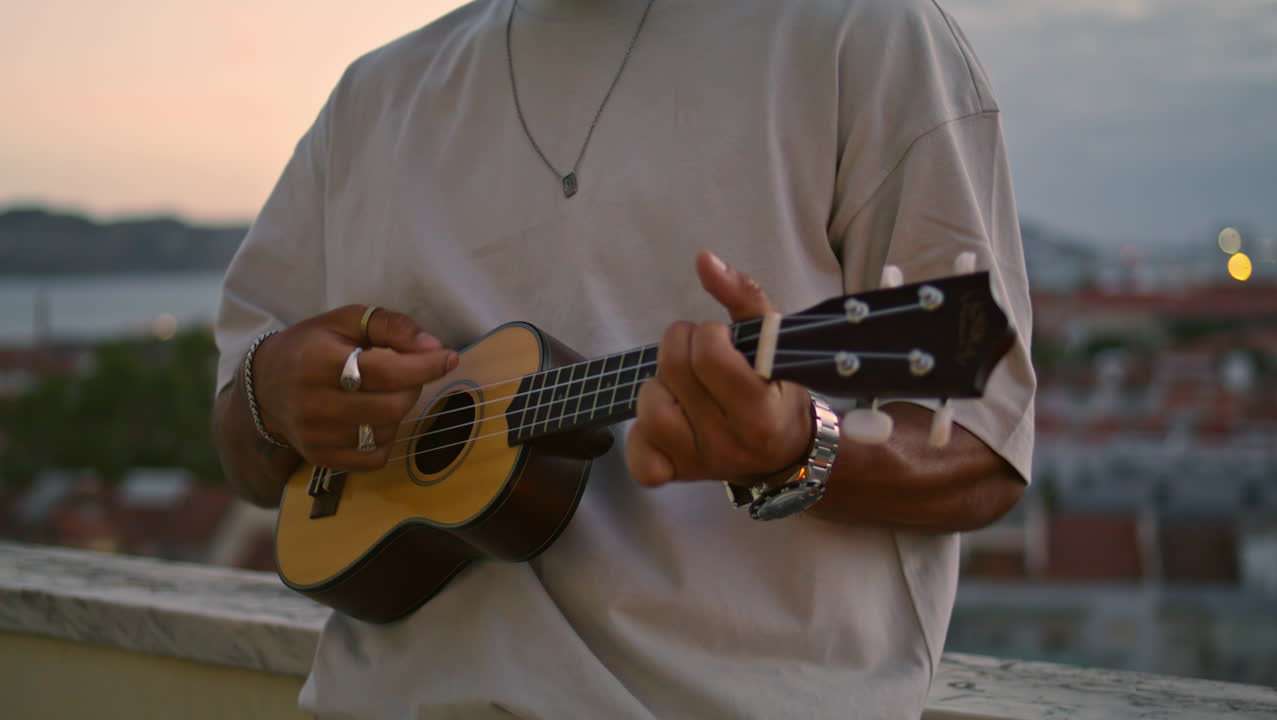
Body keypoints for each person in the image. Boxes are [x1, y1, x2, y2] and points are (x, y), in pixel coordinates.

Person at [212, 0, 1036, 717]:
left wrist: (798, 448)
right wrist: (268, 391)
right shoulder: (374, 95)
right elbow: (247, 452)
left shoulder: (868, 30)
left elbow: (983, 454)